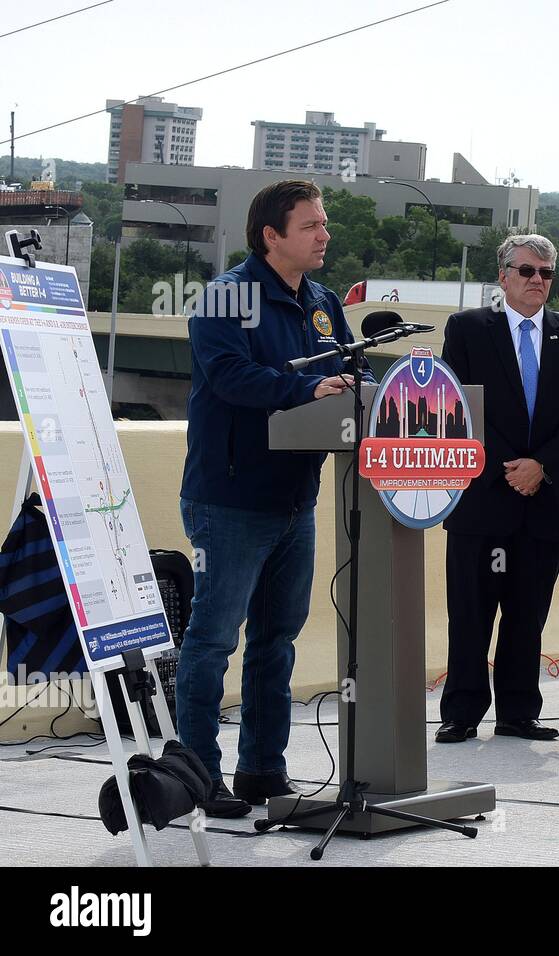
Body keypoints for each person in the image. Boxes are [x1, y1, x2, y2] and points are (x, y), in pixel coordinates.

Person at [177, 180, 369, 817]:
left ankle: (263, 770)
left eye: (323, 224)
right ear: (271, 236)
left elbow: (340, 367)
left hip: (296, 498)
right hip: (231, 499)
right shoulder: (228, 297)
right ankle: (200, 775)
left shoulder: (320, 300)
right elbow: (229, 376)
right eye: (311, 225)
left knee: (276, 641)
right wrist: (307, 390)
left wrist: (369, 382)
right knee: (212, 642)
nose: (324, 234)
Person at [436, 234, 559, 743]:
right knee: (471, 612)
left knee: (527, 615)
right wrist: (511, 466)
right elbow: (455, 404)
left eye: (546, 274)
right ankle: (460, 713)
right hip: (483, 496)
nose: (537, 281)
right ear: (503, 275)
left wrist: (540, 466)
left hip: (544, 499)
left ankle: (517, 712)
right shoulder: (467, 329)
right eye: (527, 271)